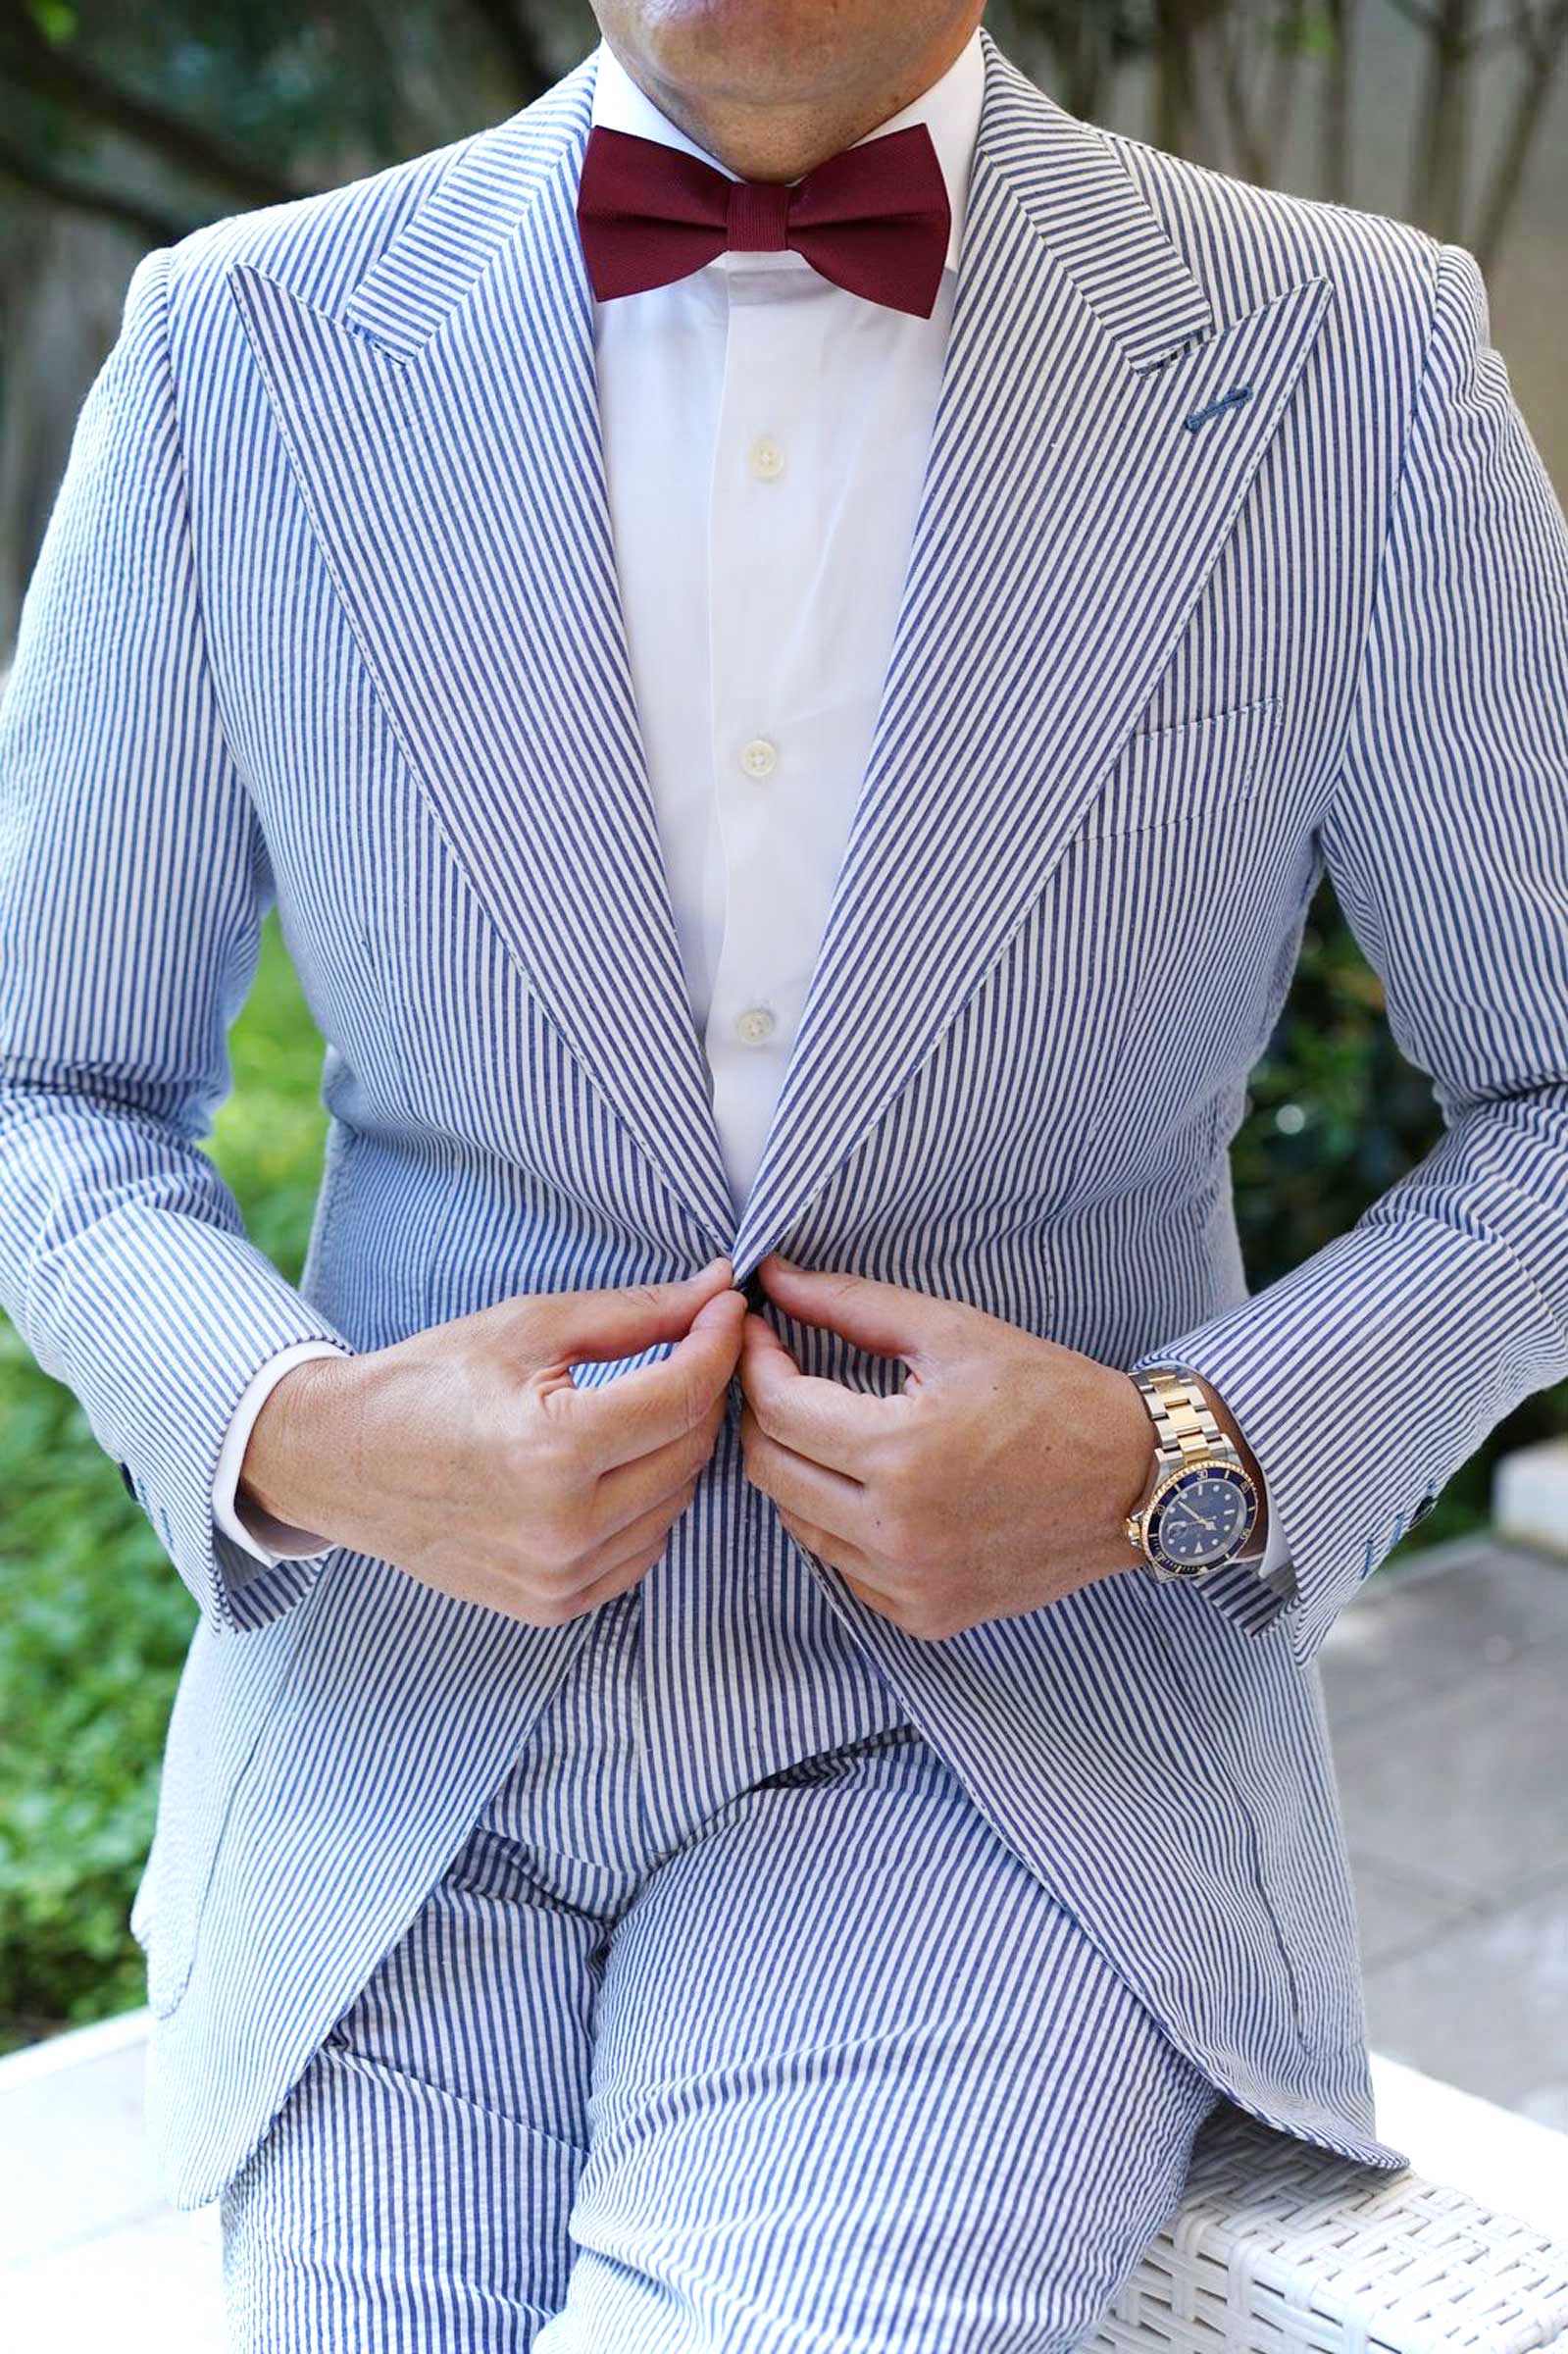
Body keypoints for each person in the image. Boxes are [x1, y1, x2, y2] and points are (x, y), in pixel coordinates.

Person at [1, 0, 1564, 2344]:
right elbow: (42, 1079)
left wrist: (1178, 1456)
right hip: (404, 1750)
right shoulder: (241, 347)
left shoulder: (1348, 353)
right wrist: (305, 1436)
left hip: (1001, 1751)